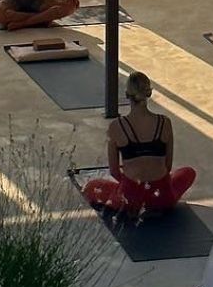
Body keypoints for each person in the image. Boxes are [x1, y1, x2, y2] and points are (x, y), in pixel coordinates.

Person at [84, 72, 196, 216]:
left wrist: (132, 185)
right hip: (162, 197)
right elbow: (167, 166)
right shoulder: (165, 123)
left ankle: (134, 196)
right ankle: (153, 199)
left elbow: (114, 171)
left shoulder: (116, 126)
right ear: (148, 93)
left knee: (91, 187)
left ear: (127, 95)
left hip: (130, 199)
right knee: (188, 172)